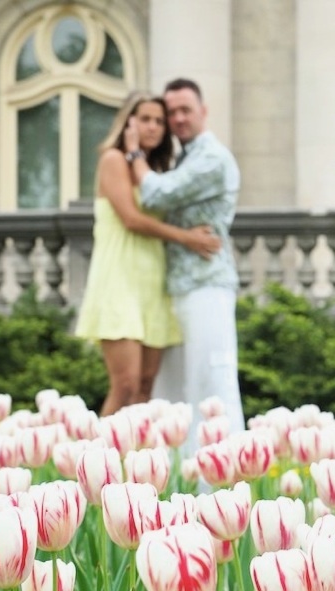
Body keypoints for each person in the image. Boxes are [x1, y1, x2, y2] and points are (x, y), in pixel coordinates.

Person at [75, 91, 221, 417]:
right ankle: (96, 466)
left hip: (152, 286)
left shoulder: (153, 171)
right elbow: (131, 219)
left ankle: (136, 466)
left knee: (144, 388)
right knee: (124, 386)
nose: (153, 127)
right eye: (145, 119)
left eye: (159, 121)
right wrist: (187, 238)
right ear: (128, 123)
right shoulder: (113, 160)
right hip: (118, 283)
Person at [124, 78, 246, 452]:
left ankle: (223, 490)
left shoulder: (212, 157)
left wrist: (134, 155)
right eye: (171, 112)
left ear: (203, 111)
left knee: (213, 386)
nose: (177, 119)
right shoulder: (185, 157)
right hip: (177, 290)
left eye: (184, 110)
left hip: (207, 286)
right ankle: (182, 489)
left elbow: (159, 192)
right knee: (175, 394)